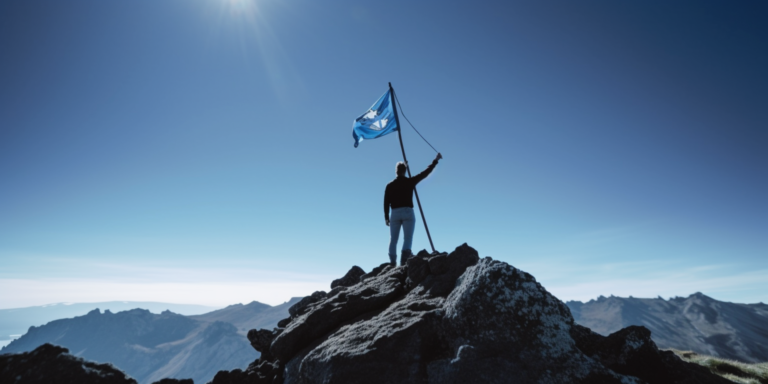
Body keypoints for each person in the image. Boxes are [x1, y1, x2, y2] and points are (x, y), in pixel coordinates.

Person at [384, 152, 442, 266]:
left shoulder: (389, 185)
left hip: (394, 213)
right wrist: (435, 160)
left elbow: (386, 202)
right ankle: (404, 261)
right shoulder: (410, 182)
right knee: (408, 238)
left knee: (393, 239)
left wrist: (386, 217)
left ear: (396, 171)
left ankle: (392, 263)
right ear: (405, 171)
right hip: (407, 212)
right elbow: (425, 173)